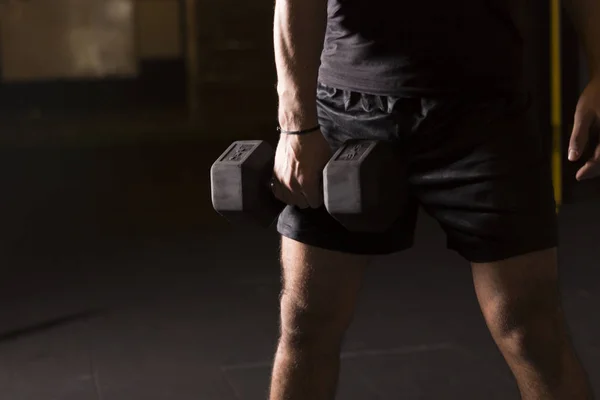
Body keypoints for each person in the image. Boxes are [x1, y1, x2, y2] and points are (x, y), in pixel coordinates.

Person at [269, 0, 598, 399]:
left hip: (483, 112)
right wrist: (296, 127)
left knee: (531, 329)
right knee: (307, 321)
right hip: (347, 109)